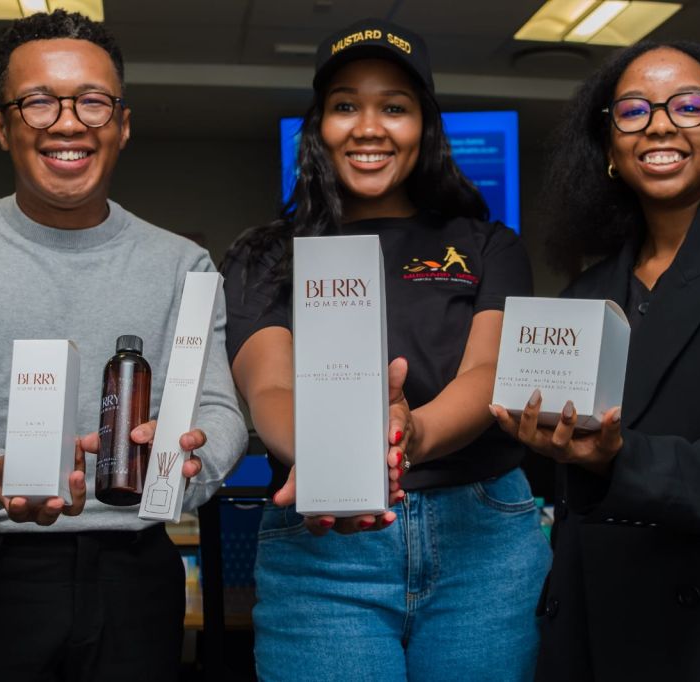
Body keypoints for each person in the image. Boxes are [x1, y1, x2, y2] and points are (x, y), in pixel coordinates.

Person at [0, 10, 247, 681]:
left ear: (122, 124)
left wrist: (192, 461)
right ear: (3, 127)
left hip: (136, 576)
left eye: (92, 101)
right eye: (38, 101)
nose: (67, 122)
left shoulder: (183, 264)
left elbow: (219, 412)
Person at [222, 18, 551, 681]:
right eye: (346, 106)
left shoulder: (488, 244)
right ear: (319, 126)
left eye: (394, 108)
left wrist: (409, 436)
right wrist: (333, 457)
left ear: (424, 127)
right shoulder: (267, 255)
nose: (368, 128)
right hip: (323, 540)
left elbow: (489, 371)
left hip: (482, 541)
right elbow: (270, 387)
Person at [491, 41, 700, 681]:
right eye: (634, 110)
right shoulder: (582, 296)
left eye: (688, 106)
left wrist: (615, 458)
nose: (661, 124)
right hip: (599, 621)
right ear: (610, 149)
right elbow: (557, 473)